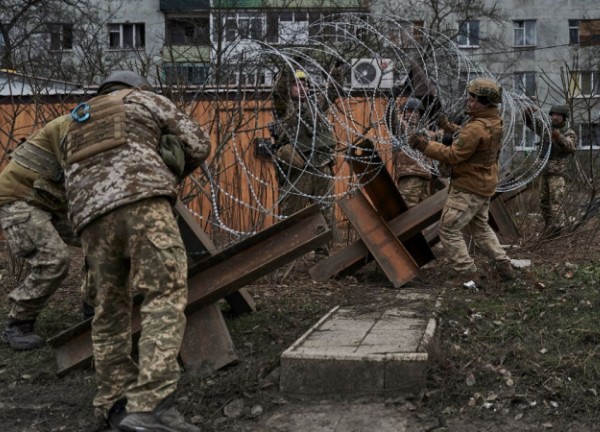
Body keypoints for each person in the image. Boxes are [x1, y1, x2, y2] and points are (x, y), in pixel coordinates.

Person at [50, 71, 211, 432]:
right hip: (142, 201)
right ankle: (150, 406)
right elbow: (199, 143)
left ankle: (114, 406)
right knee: (164, 294)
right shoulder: (142, 100)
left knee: (108, 311)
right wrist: (171, 167)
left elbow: (62, 180)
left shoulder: (74, 121)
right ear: (136, 87)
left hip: (90, 217)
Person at [408, 77, 516, 283]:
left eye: (474, 99)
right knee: (482, 229)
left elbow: (454, 154)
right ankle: (504, 266)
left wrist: (424, 145)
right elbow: (471, 140)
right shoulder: (493, 121)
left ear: (485, 101)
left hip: (468, 187)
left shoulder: (476, 128)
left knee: (448, 229)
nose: (469, 101)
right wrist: (448, 126)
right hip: (483, 184)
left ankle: (467, 273)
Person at [0, 115, 92, 351]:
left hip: (50, 201)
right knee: (53, 259)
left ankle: (93, 310)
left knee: (102, 242)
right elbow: (81, 175)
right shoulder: (74, 125)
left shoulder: (103, 125)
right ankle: (18, 323)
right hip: (19, 198)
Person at [271, 67, 342, 260]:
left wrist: (336, 70)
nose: (301, 87)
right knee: (291, 213)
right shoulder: (284, 107)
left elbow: (333, 91)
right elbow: (279, 92)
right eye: (296, 84)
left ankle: (323, 255)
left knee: (325, 211)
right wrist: (287, 68)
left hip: (321, 163)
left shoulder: (315, 105)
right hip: (299, 166)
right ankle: (283, 256)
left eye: (304, 83)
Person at [524, 104, 577, 238]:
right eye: (553, 115)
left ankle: (557, 230)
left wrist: (558, 137)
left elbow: (570, 147)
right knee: (544, 202)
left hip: (557, 173)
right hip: (544, 171)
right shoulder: (546, 129)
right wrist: (528, 114)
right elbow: (532, 124)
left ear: (564, 117)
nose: (555, 117)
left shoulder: (569, 132)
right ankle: (549, 228)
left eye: (558, 115)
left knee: (556, 202)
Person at [387, 97, 435, 207]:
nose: (413, 115)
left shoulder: (426, 133)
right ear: (404, 114)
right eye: (409, 111)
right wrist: (391, 101)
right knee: (408, 210)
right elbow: (391, 119)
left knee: (424, 214)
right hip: (410, 176)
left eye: (416, 112)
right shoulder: (401, 129)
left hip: (426, 178)